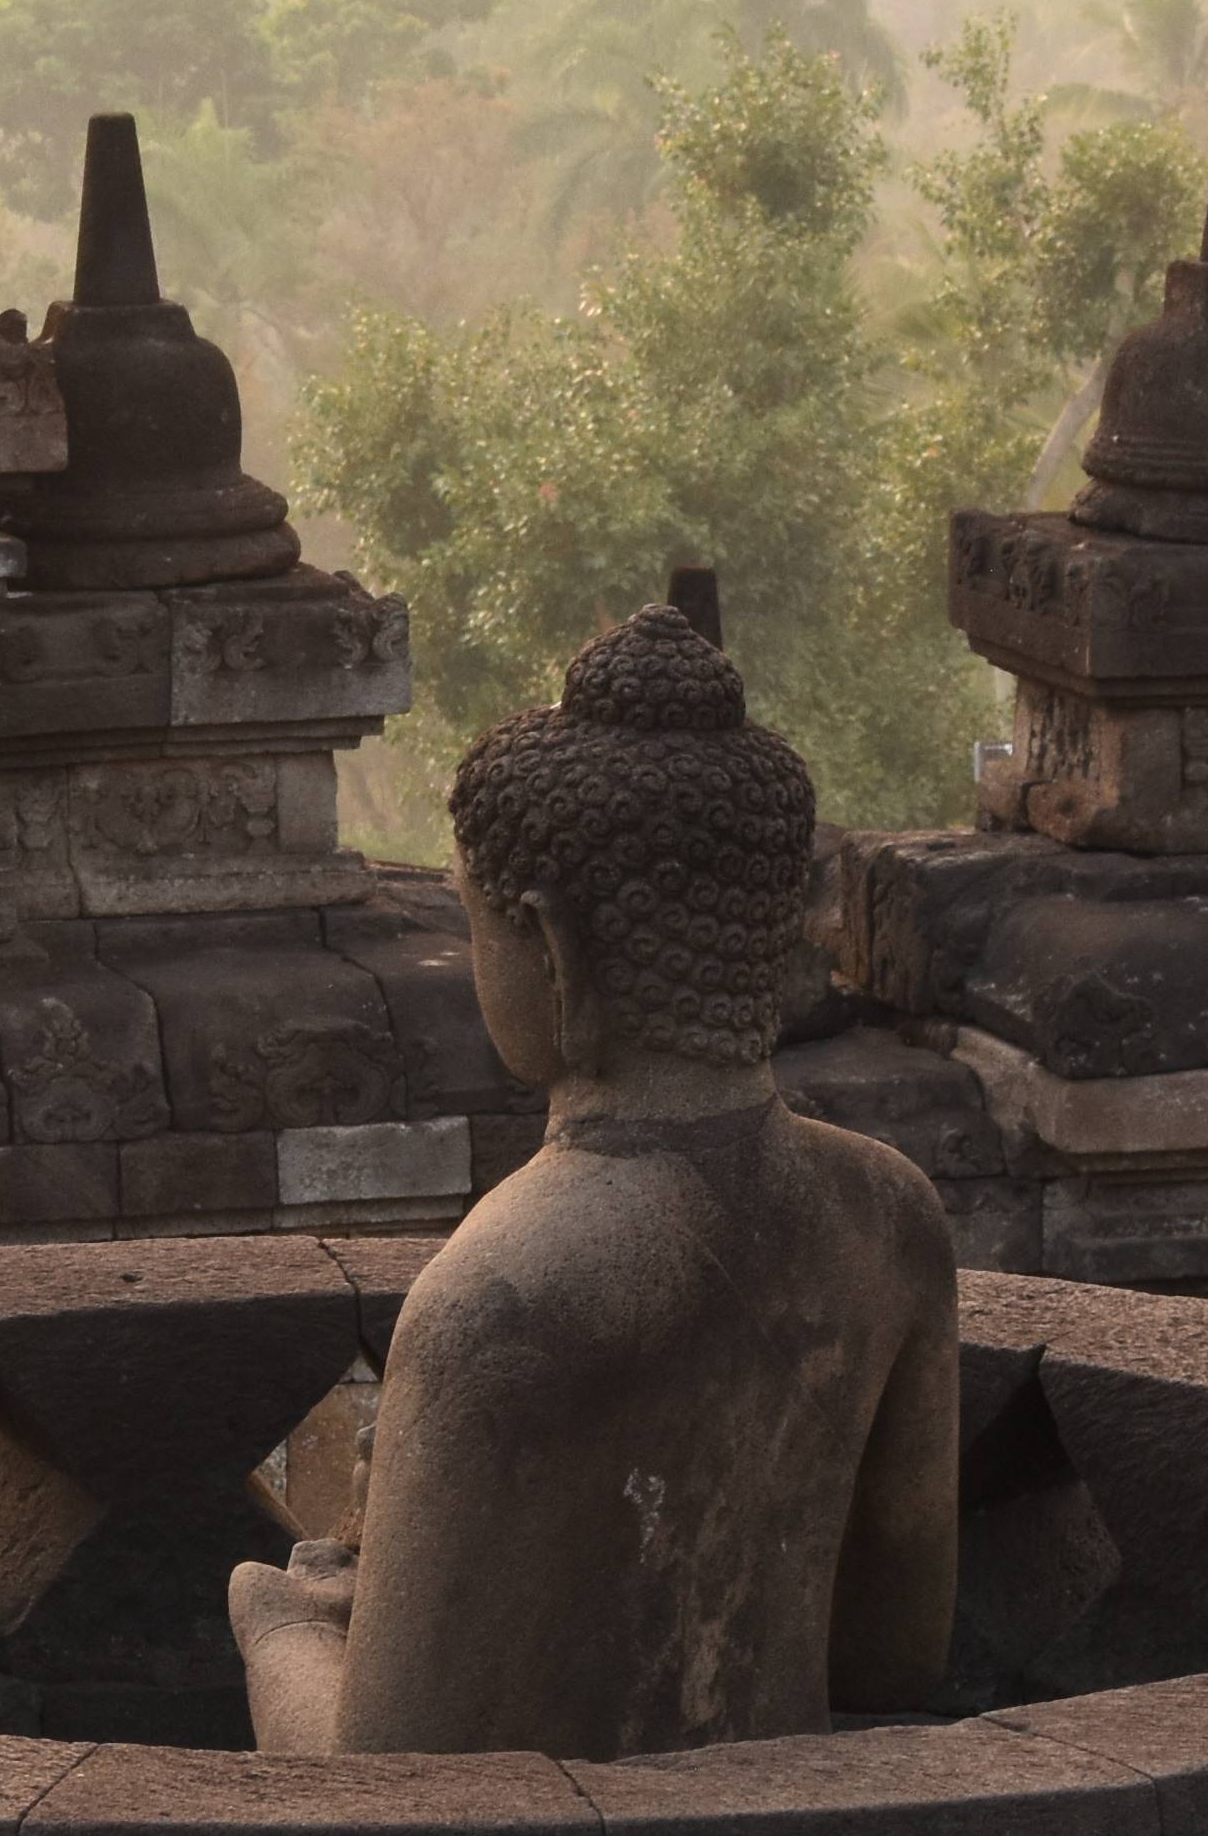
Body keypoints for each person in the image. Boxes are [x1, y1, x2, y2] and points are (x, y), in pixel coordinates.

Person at [231, 605, 963, 1756]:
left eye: (476, 928)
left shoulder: (502, 1299)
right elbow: (893, 1654)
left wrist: (285, 1630)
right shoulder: (890, 1217)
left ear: (549, 946)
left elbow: (386, 1806)